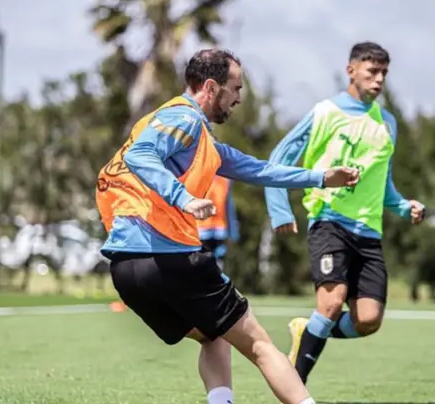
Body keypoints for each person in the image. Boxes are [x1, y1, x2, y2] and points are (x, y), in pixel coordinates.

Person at [95, 48, 361, 404]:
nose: (239, 98)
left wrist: (322, 177)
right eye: (235, 88)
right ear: (210, 87)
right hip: (171, 259)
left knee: (213, 334)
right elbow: (139, 155)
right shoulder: (184, 118)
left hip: (126, 268)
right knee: (261, 345)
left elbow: (260, 170)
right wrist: (183, 198)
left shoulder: (196, 139)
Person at [264, 42, 426, 384]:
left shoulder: (387, 123)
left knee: (368, 320)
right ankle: (294, 386)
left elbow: (382, 181)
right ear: (351, 71)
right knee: (331, 302)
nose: (379, 80)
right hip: (329, 221)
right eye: (372, 71)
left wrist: (402, 206)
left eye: (384, 73)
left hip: (369, 231)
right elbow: (279, 158)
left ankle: (307, 330)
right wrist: (280, 209)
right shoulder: (325, 112)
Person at [198, 175, 240, 270]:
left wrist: (233, 233)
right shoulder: (197, 175)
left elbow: (228, 207)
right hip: (201, 231)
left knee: (217, 263)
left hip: (218, 230)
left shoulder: (225, 180)